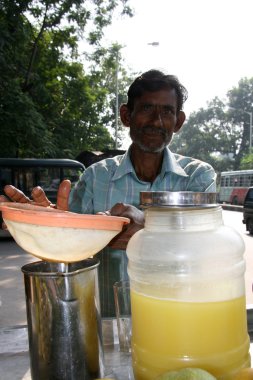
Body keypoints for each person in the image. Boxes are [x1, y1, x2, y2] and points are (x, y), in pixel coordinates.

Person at [0, 69, 216, 317]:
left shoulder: (198, 176)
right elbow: (68, 245)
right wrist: (48, 227)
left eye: (167, 111)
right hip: (110, 319)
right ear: (126, 115)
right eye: (146, 108)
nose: (157, 121)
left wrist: (149, 229)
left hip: (180, 314)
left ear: (178, 121)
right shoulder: (95, 177)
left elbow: (207, 245)